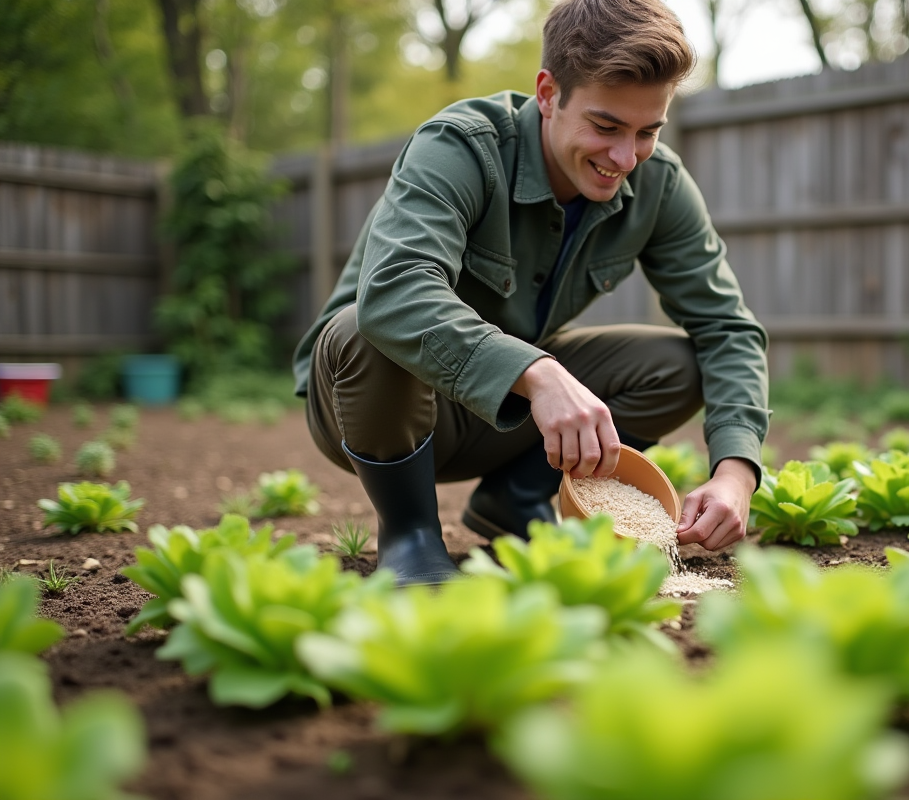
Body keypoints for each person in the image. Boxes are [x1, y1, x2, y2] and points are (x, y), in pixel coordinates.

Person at [292, 0, 769, 586]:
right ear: (548, 94)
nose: (625, 158)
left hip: (507, 417)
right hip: (371, 406)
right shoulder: (461, 147)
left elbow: (727, 328)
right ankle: (411, 535)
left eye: (647, 131)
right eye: (606, 126)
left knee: (679, 365)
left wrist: (736, 471)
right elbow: (395, 291)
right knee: (366, 328)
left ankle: (518, 501)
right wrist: (538, 372)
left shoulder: (659, 183)